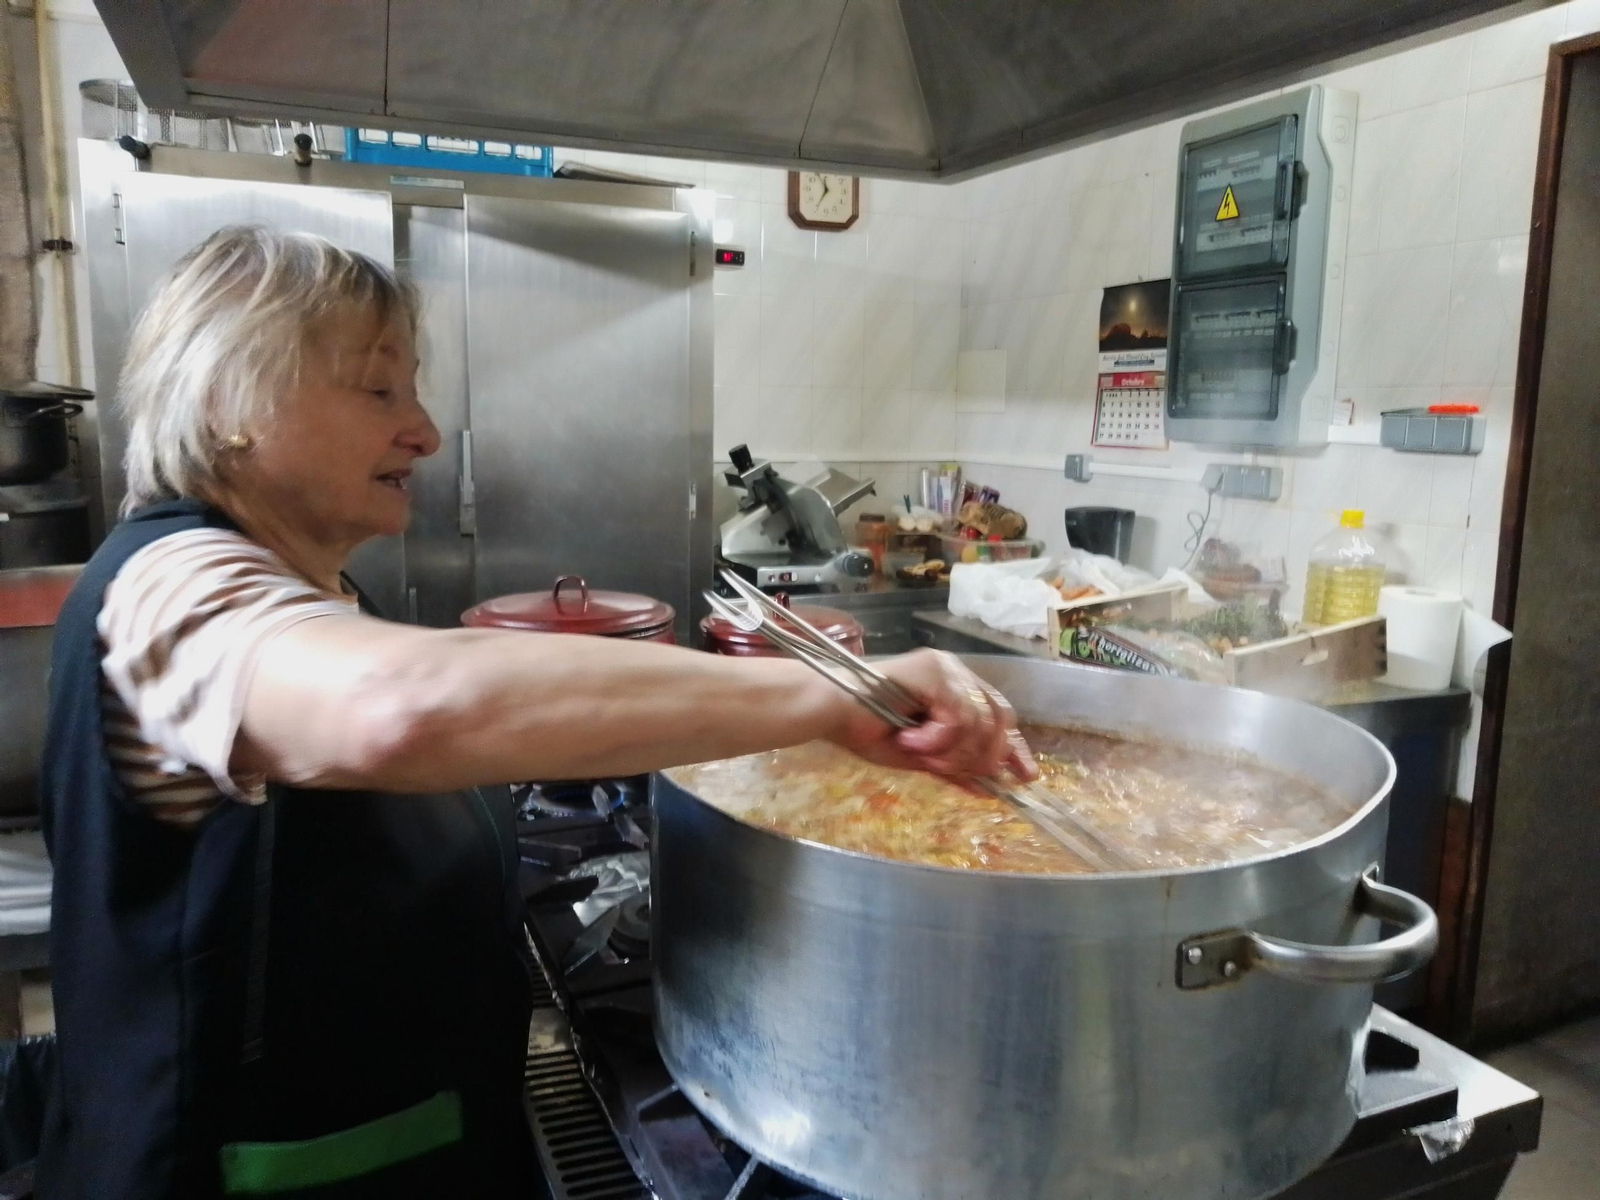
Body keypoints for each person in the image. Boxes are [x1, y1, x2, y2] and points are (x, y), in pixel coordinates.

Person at [38, 226, 1034, 1199]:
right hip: (258, 1164)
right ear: (228, 403)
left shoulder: (311, 585)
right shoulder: (175, 582)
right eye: (379, 387)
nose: (423, 431)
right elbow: (400, 708)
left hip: (399, 1137)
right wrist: (832, 696)